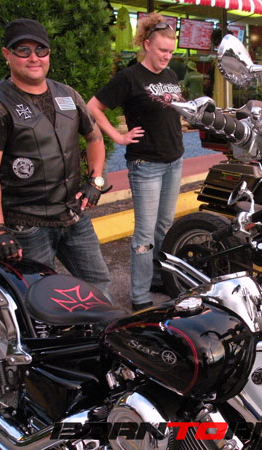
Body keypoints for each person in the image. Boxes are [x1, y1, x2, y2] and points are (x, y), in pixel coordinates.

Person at [0, 18, 112, 300]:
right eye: (23, 50)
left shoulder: (68, 94)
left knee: (98, 285)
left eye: (40, 49)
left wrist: (95, 180)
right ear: (7, 54)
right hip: (27, 225)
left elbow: (95, 137)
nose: (33, 57)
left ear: (49, 54)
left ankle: (97, 330)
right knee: (38, 299)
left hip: (73, 215)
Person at [87, 13, 185, 311]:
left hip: (174, 160)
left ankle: (156, 277)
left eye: (171, 51)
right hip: (146, 164)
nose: (167, 56)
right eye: (162, 50)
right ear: (147, 45)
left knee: (163, 225)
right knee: (144, 232)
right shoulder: (129, 77)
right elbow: (93, 107)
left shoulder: (170, 76)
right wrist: (118, 136)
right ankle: (139, 294)